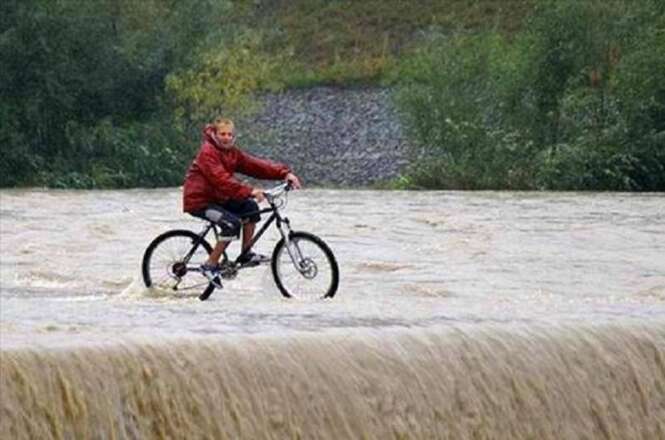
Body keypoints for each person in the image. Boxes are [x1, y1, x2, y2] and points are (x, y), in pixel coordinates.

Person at [183, 117, 301, 285]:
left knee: (250, 208)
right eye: (222, 134)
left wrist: (284, 173)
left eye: (230, 134)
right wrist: (249, 191)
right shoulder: (207, 152)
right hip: (200, 201)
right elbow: (221, 179)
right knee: (231, 224)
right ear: (215, 135)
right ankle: (209, 265)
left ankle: (246, 253)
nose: (226, 137)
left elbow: (256, 166)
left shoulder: (232, 153)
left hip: (220, 197)